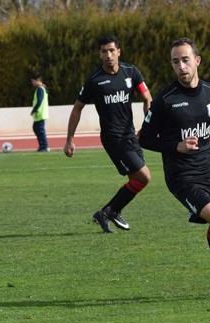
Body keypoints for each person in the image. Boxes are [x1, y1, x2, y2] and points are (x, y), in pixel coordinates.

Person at [64, 35, 152, 233]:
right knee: (144, 177)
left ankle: (106, 212)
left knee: (137, 180)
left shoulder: (131, 72)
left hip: (130, 136)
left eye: (112, 50)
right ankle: (111, 211)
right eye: (104, 51)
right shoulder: (95, 81)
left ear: (119, 51)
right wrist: (69, 140)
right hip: (113, 139)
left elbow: (147, 98)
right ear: (99, 54)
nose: (108, 55)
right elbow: (77, 108)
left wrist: (147, 125)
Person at [138, 38, 210, 247]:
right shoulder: (164, 101)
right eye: (175, 62)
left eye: (185, 60)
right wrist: (176, 146)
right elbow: (144, 138)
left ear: (197, 60)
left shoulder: (208, 91)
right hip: (184, 177)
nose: (181, 66)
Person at [30, 74, 50, 152]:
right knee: (36, 128)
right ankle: (42, 146)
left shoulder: (40, 89)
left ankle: (44, 146)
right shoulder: (42, 88)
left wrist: (34, 110)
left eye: (33, 81)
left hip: (40, 113)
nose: (32, 83)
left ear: (37, 80)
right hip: (40, 114)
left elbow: (39, 101)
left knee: (40, 130)